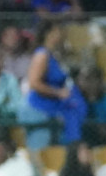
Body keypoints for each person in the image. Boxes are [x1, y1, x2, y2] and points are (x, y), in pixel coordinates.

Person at [17, 21, 87, 150]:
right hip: (37, 109)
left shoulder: (54, 54)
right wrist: (58, 93)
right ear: (49, 34)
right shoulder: (42, 55)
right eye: (57, 31)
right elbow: (34, 83)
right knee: (40, 150)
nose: (61, 34)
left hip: (50, 109)